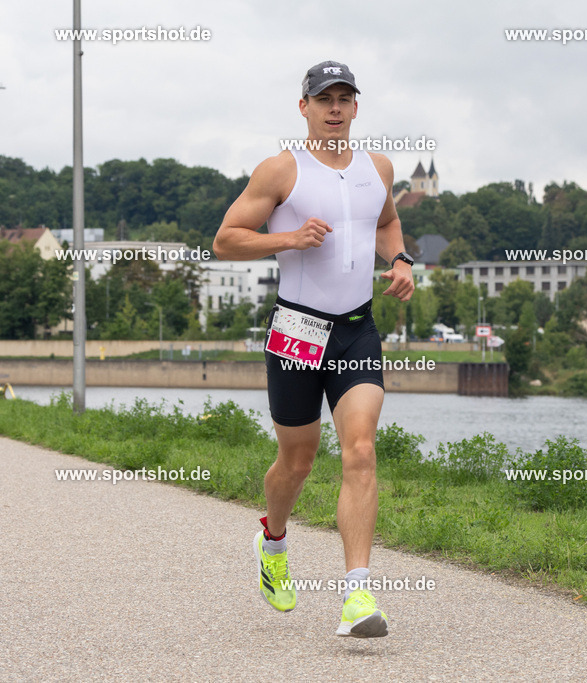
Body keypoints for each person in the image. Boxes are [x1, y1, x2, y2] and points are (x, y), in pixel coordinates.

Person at [213, 60, 415, 638]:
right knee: (298, 461)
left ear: (356, 108)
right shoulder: (281, 170)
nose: (334, 107)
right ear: (303, 107)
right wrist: (289, 238)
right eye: (323, 98)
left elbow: (387, 224)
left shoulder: (378, 167)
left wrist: (400, 261)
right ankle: (272, 543)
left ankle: (357, 594)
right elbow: (226, 240)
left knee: (360, 449)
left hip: (356, 328)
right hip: (297, 331)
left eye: (344, 98)